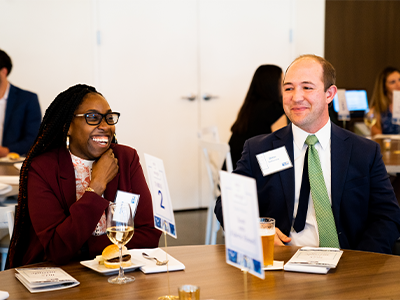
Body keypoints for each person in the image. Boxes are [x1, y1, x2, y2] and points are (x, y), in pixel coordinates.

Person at [215, 54, 400, 254]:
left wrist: (361, 263)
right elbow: (226, 204)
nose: (296, 97)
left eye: (307, 87)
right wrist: (257, 228)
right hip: (282, 267)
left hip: (348, 263)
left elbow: (387, 215)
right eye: (288, 88)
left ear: (329, 94)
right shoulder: (259, 149)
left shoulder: (364, 151)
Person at [6, 84, 161, 268]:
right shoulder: (42, 169)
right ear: (68, 126)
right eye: (93, 118)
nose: (104, 126)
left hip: (118, 273)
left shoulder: (126, 159)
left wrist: (85, 248)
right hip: (61, 277)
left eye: (109, 118)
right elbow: (57, 249)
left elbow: (149, 235)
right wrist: (97, 185)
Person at [228, 65, 287, 169]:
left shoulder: (249, 106)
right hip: (250, 174)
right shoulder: (274, 109)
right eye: (282, 81)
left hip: (231, 172)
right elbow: (281, 148)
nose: (285, 85)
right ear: (273, 84)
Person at [0, 49, 41, 157]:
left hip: (14, 164)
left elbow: (33, 138)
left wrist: (6, 151)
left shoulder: (28, 99)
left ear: (4, 72)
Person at [369, 67, 400, 136]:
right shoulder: (376, 110)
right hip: (387, 146)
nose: (398, 85)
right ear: (384, 86)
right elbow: (377, 139)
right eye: (393, 82)